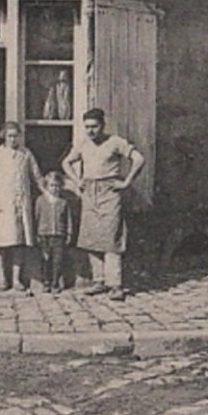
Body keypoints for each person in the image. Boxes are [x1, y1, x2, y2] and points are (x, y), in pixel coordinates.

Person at [61, 108, 145, 302]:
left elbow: (139, 159)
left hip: (110, 191)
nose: (91, 131)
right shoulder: (83, 145)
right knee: (91, 239)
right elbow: (66, 162)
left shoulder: (115, 142)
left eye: (94, 127)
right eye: (87, 127)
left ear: (102, 125)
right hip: (89, 192)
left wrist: (126, 182)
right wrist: (77, 180)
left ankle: (115, 285)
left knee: (111, 238)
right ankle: (98, 281)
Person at [0, 122, 42, 292]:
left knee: (18, 243)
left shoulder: (25, 154)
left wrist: (46, 192)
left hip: (19, 204)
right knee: (0, 243)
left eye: (16, 135)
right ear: (4, 136)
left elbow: (36, 176)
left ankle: (17, 279)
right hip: (1, 204)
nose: (13, 139)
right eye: (9, 136)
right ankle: (2, 278)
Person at [34, 170, 73, 294]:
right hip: (44, 235)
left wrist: (69, 233)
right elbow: (36, 217)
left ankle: (55, 283)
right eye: (51, 185)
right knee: (46, 259)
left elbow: (68, 219)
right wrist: (36, 233)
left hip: (59, 236)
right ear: (46, 186)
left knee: (58, 260)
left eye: (57, 186)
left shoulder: (63, 202)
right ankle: (46, 282)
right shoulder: (40, 201)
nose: (54, 188)